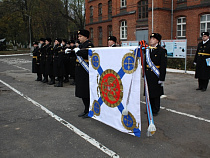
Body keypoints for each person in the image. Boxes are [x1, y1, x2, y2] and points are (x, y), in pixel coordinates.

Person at [144, 33, 167, 116]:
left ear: (157, 40)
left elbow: (163, 65)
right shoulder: (147, 49)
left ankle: (155, 109)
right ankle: (149, 108)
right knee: (148, 92)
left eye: (153, 39)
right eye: (151, 38)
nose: (151, 40)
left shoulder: (161, 50)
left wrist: (162, 78)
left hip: (156, 75)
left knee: (156, 94)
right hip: (148, 74)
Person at [76, 29, 94, 118]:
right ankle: (86, 109)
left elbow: (86, 52)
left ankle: (90, 110)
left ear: (86, 37)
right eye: (78, 36)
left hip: (86, 73)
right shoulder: (81, 45)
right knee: (82, 92)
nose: (79, 38)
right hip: (80, 72)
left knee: (86, 92)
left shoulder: (89, 45)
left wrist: (77, 51)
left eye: (80, 36)